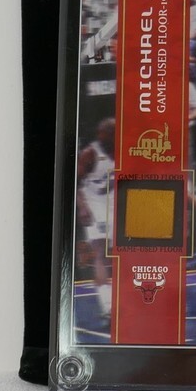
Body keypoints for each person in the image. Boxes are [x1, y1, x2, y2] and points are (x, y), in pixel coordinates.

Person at [77, 118, 115, 322]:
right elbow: (74, 183)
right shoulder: (90, 153)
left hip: (114, 199)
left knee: (117, 253)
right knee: (100, 252)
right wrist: (82, 207)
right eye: (111, 133)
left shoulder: (124, 150)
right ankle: (107, 306)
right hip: (93, 201)